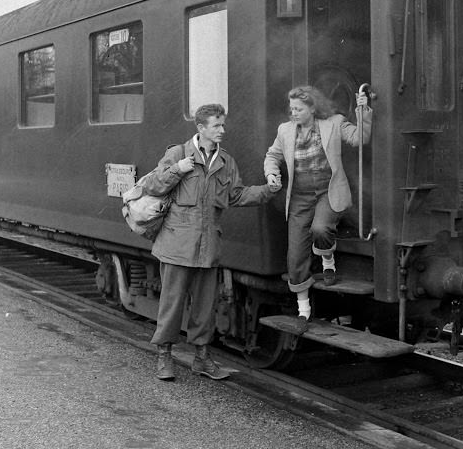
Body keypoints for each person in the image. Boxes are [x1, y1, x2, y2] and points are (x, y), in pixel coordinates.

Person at [143, 103, 279, 381]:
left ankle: (202, 359)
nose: (222, 130)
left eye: (222, 125)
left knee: (205, 308)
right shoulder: (178, 154)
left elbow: (236, 196)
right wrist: (177, 170)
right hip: (176, 246)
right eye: (216, 125)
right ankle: (164, 357)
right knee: (171, 305)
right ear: (201, 128)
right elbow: (153, 186)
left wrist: (268, 190)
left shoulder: (226, 162)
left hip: (208, 248)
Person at [264, 86, 372, 334]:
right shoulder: (285, 131)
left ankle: (327, 261)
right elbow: (272, 156)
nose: (294, 113)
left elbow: (360, 138)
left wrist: (362, 109)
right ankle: (304, 311)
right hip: (299, 197)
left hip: (328, 191)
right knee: (295, 256)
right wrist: (272, 173)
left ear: (312, 108)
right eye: (291, 109)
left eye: (299, 109)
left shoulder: (334, 124)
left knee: (321, 228)